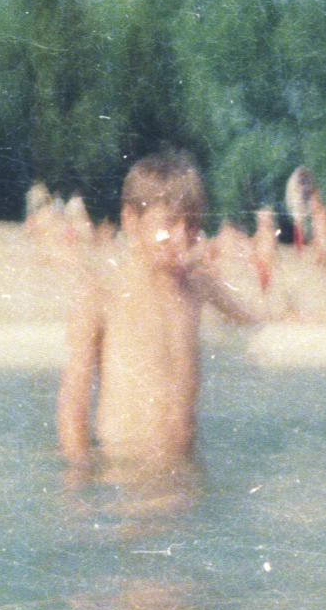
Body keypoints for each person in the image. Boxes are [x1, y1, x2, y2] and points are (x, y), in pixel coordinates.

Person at [57, 151, 261, 473]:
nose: (181, 237)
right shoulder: (104, 292)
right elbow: (74, 400)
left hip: (185, 465)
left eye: (192, 223)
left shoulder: (198, 285)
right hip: (124, 466)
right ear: (130, 220)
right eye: (168, 223)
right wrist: (78, 475)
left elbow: (252, 319)